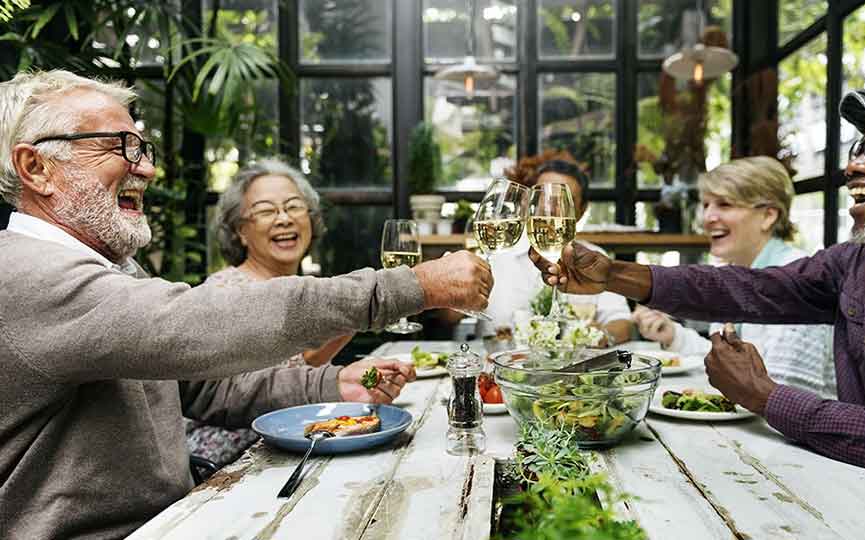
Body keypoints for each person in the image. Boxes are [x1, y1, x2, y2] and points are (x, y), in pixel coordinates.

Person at [0, 69, 492, 540]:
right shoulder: (25, 275)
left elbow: (206, 391)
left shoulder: (109, 270)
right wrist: (412, 286)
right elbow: (202, 324)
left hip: (177, 519)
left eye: (143, 148)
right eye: (119, 146)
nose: (146, 167)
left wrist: (330, 382)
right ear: (36, 167)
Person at [529, 88, 865, 517]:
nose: (853, 165)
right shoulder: (857, 262)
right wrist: (612, 275)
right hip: (856, 495)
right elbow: (749, 289)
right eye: (859, 147)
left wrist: (765, 396)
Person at [185, 158, 355, 466]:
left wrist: (357, 314)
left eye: (294, 206)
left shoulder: (306, 287)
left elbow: (301, 366)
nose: (284, 219)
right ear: (240, 231)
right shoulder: (225, 292)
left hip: (290, 446)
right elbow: (242, 392)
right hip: (228, 463)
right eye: (266, 211)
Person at [632, 156, 836, 397]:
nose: (707, 218)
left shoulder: (795, 279)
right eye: (706, 205)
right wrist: (673, 335)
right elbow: (728, 365)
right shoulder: (736, 273)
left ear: (768, 216)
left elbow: (787, 394)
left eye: (725, 205)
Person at [470, 151, 634, 344]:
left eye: (564, 201)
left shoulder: (594, 259)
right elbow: (450, 316)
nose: (550, 211)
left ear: (581, 210)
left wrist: (599, 336)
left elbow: (623, 324)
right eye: (543, 198)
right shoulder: (497, 253)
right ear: (527, 202)